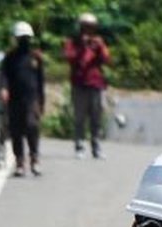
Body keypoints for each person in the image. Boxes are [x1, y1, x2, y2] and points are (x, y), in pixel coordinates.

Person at [0, 21, 44, 177]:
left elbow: (40, 80)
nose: (24, 40)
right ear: (16, 39)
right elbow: (4, 75)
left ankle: (35, 159)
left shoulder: (35, 57)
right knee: (16, 130)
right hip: (15, 99)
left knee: (32, 127)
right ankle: (19, 162)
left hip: (32, 99)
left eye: (26, 38)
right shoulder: (10, 57)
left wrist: (41, 102)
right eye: (21, 38)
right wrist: (4, 88)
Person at [63, 11, 110, 159]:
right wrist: (83, 48)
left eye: (91, 27)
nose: (88, 30)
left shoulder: (98, 42)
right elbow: (69, 57)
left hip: (96, 84)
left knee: (96, 117)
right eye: (86, 27)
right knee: (79, 118)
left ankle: (96, 147)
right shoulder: (73, 42)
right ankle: (79, 146)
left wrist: (99, 47)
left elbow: (106, 59)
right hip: (79, 84)